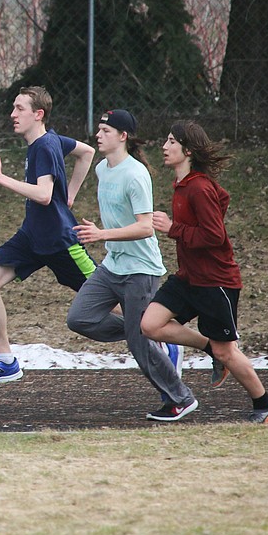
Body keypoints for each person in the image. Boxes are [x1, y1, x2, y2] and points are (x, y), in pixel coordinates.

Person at [141, 121, 268, 424]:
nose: (164, 147)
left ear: (188, 150)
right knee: (150, 325)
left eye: (171, 142)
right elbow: (223, 198)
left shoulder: (199, 187)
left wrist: (172, 229)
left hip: (215, 282)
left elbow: (214, 236)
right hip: (188, 278)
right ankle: (208, 347)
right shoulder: (183, 185)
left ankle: (266, 405)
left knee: (227, 352)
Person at [65, 109, 202, 421]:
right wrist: (103, 235)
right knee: (80, 318)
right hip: (113, 265)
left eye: (106, 131)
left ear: (123, 136)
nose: (98, 135)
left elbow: (145, 227)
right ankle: (142, 334)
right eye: (98, 130)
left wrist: (102, 234)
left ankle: (181, 398)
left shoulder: (136, 174)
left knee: (140, 343)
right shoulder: (102, 169)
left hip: (140, 269)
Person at [0, 86, 97, 388]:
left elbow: (43, 194)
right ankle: (6, 362)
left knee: (107, 298)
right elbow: (86, 152)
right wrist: (70, 196)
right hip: (31, 236)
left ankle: (158, 334)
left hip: (60, 241)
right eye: (13, 108)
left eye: (19, 109)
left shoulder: (44, 146)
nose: (13, 115)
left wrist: (1, 178)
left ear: (38, 114)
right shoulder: (50, 140)